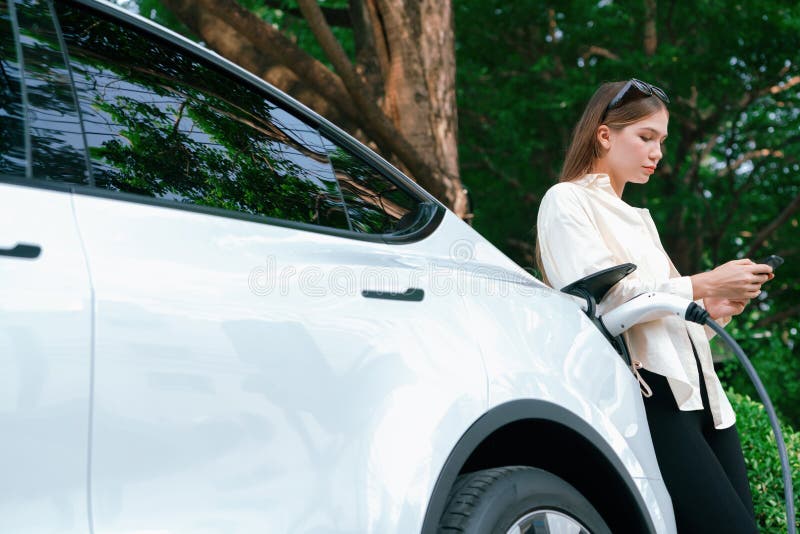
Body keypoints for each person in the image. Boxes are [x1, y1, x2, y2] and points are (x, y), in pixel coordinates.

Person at [535, 79, 774, 533]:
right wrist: (702, 282)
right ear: (604, 135)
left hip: (703, 395)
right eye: (646, 137)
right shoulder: (566, 200)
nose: (657, 153)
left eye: (661, 142)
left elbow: (663, 314)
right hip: (652, 392)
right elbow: (604, 302)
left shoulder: (640, 219)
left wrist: (715, 306)